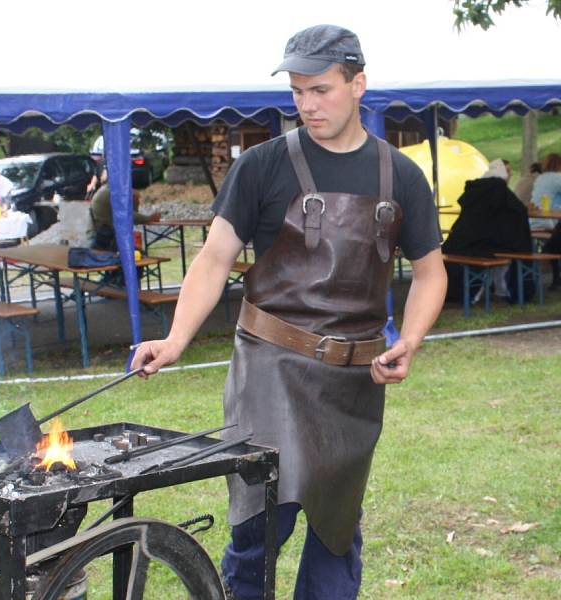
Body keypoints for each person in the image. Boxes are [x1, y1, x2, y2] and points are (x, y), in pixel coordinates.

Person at [130, 24, 447, 600]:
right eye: (298, 91)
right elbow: (213, 258)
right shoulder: (263, 166)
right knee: (260, 523)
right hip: (270, 369)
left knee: (335, 528)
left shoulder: (399, 175)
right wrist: (175, 338)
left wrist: (412, 340)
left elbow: (430, 273)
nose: (306, 104)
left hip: (353, 381)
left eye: (320, 89)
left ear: (358, 85)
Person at [442, 158, 532, 303]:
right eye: (508, 171)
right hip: (486, 245)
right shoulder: (501, 192)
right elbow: (519, 216)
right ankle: (504, 289)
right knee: (515, 250)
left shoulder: (475, 189)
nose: (510, 175)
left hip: (461, 242)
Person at [90, 164, 161, 251]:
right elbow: (128, 215)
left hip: (106, 231)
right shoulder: (112, 193)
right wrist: (149, 218)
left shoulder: (108, 189)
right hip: (109, 235)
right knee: (138, 254)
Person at [530, 154, 561, 289]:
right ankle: (556, 278)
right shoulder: (557, 179)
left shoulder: (540, 178)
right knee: (557, 237)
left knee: (556, 239)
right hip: (548, 222)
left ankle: (556, 278)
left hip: (532, 220)